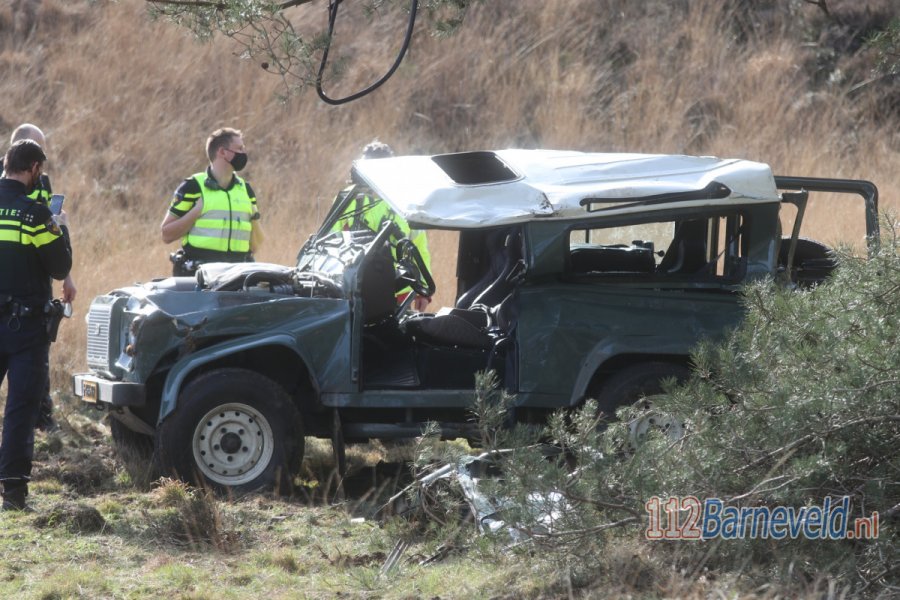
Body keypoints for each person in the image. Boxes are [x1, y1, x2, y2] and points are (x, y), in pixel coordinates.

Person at [0, 140, 72, 511]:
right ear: (34, 169)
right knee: (20, 408)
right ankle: (12, 494)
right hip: (24, 327)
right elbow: (59, 267)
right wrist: (61, 228)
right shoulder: (34, 213)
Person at [3, 123, 75, 432]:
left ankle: (43, 415)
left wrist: (67, 277)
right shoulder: (10, 186)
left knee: (35, 357)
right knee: (27, 360)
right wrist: (59, 229)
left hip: (37, 274)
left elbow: (46, 230)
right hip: (16, 277)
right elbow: (45, 225)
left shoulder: (40, 184)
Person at [331, 140, 432, 311]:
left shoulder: (406, 201)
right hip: (354, 289)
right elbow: (331, 244)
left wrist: (424, 291)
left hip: (399, 292)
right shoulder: (345, 200)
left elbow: (419, 248)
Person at [161, 127, 263, 276]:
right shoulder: (193, 187)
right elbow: (166, 235)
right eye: (239, 148)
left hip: (237, 277)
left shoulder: (246, 191)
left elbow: (255, 245)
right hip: (199, 278)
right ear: (222, 152)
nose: (244, 153)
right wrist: (196, 212)